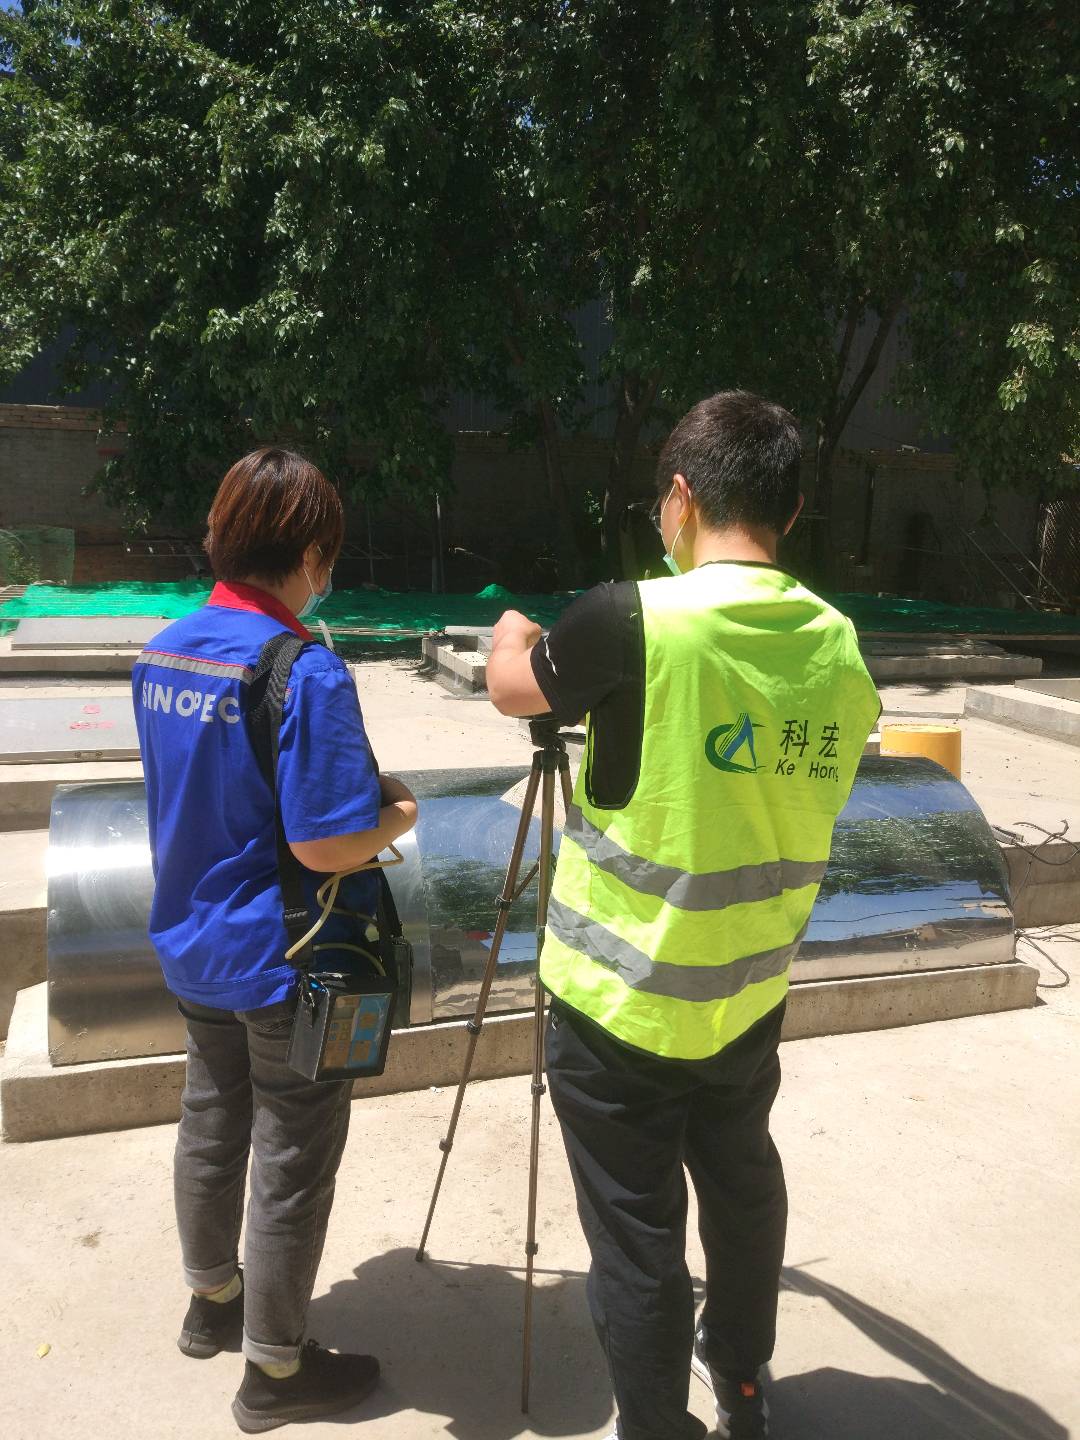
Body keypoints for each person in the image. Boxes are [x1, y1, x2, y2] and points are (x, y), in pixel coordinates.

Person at [486, 391, 880, 1440]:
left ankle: (657, 1425)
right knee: (743, 1189)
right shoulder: (839, 647)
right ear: (790, 513)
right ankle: (740, 1375)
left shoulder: (631, 618)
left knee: (636, 1237)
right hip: (746, 994)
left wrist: (512, 631)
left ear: (680, 498)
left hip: (617, 1006)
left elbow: (514, 688)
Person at [132, 447, 417, 1434]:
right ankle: (277, 1371)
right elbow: (324, 841)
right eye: (326, 554)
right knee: (293, 1155)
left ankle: (212, 1301)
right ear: (308, 555)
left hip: (193, 941)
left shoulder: (163, 653)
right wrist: (400, 816)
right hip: (288, 959)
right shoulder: (304, 671)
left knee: (211, 1122)